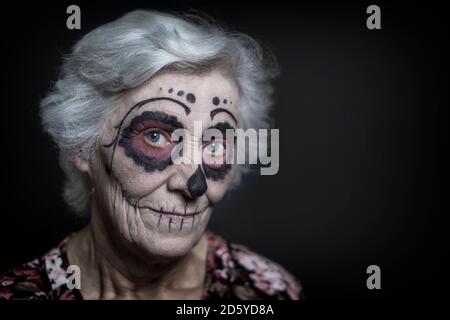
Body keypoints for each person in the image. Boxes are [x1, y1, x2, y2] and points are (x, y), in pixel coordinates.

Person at [0, 10, 301, 300]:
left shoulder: (268, 292)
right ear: (83, 147)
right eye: (155, 137)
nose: (193, 184)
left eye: (214, 145)